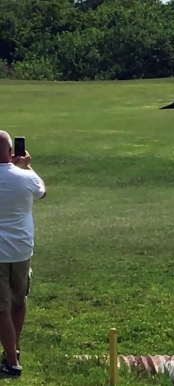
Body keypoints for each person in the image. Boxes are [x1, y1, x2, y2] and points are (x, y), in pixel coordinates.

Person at [0, 131, 46, 377]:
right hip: (21, 250)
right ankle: (13, 350)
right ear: (11, 152)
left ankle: (12, 361)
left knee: (1, 308)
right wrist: (27, 167)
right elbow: (42, 191)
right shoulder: (26, 177)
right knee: (19, 301)